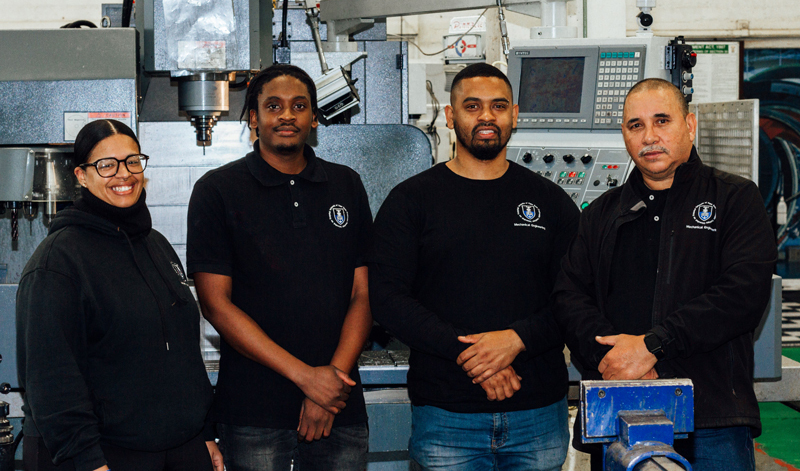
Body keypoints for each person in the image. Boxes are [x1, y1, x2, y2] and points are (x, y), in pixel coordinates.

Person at [553, 78, 777, 471]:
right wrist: (619, 360)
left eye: (662, 121)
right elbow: (570, 295)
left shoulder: (735, 199)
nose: (649, 136)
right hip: (618, 414)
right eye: (635, 125)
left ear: (689, 125)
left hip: (712, 419)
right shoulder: (603, 213)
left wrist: (653, 345)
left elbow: (741, 294)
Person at [369, 63, 579, 471]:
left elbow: (577, 295)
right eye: (472, 106)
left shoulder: (550, 202)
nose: (486, 116)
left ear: (514, 115)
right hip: (447, 416)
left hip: (537, 415)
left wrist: (517, 339)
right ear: (450, 117)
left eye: (498, 106)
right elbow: (387, 297)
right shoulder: (412, 201)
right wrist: (472, 356)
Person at [186, 64, 372, 471]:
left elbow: (364, 293)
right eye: (273, 106)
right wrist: (307, 378)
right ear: (253, 116)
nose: (287, 116)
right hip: (254, 412)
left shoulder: (347, 185)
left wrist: (331, 382)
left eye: (299, 106)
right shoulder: (217, 190)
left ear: (314, 117)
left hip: (340, 405)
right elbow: (216, 305)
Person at [16, 119, 222, 471]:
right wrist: (88, 461)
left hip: (181, 449)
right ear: (81, 176)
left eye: (132, 161)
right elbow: (51, 379)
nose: (123, 174)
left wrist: (204, 433)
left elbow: (184, 351)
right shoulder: (58, 262)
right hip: (107, 456)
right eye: (106, 165)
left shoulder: (154, 244)